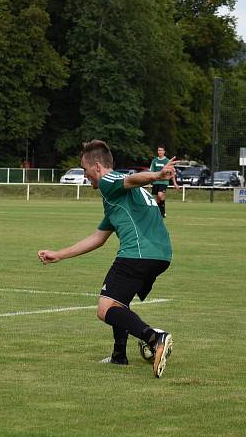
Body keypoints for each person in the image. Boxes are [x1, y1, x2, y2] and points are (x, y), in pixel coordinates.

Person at [37, 140, 175, 378]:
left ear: (98, 167)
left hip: (137, 253)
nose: (85, 175)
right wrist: (58, 254)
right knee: (119, 302)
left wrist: (156, 175)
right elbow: (98, 238)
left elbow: (130, 179)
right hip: (160, 255)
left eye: (85, 169)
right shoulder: (115, 199)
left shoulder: (110, 182)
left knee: (105, 309)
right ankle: (119, 355)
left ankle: (154, 337)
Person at [149, 145, 179, 218]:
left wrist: (175, 183)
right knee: (157, 199)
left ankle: (163, 212)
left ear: (164, 152)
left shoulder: (167, 161)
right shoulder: (154, 160)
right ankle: (160, 213)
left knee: (160, 195)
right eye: (159, 150)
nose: (160, 152)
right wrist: (150, 180)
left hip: (164, 182)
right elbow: (151, 171)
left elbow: (172, 173)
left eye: (161, 150)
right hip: (156, 182)